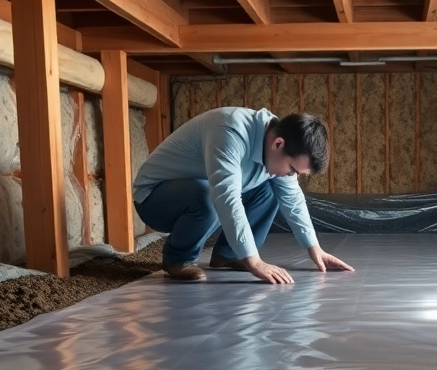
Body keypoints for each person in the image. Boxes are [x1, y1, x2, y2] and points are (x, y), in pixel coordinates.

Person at [134, 108, 354, 284]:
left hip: (200, 193)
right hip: (154, 198)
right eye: (292, 169)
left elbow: (293, 200)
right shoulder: (229, 131)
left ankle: (229, 255)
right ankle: (177, 259)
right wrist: (254, 261)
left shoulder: (279, 147)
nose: (290, 176)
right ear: (278, 144)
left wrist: (315, 249)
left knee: (270, 191)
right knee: (208, 195)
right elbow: (225, 197)